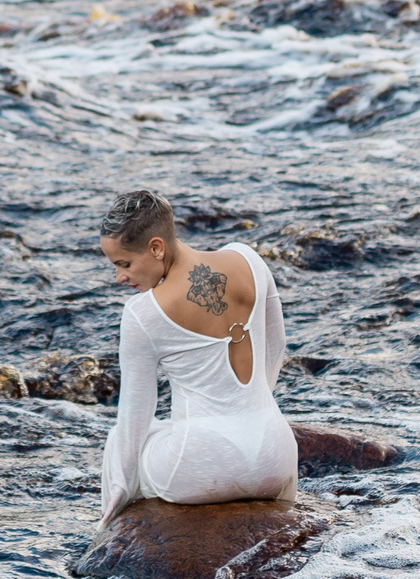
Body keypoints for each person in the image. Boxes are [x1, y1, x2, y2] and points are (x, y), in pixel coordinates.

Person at [95, 188, 295, 522]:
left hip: (201, 464)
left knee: (120, 437)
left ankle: (106, 527)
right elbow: (277, 346)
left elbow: (136, 413)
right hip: (275, 455)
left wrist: (120, 488)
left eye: (124, 264)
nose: (119, 277)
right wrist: (245, 413)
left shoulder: (142, 313)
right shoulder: (249, 259)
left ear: (156, 247)